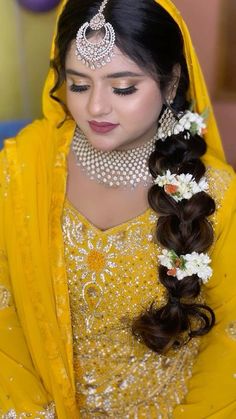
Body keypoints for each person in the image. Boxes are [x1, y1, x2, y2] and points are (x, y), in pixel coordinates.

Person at [0, 0, 236, 417]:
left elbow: (228, 343)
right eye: (78, 85)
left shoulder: (215, 193)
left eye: (123, 87)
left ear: (170, 83)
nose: (95, 107)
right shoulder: (21, 170)